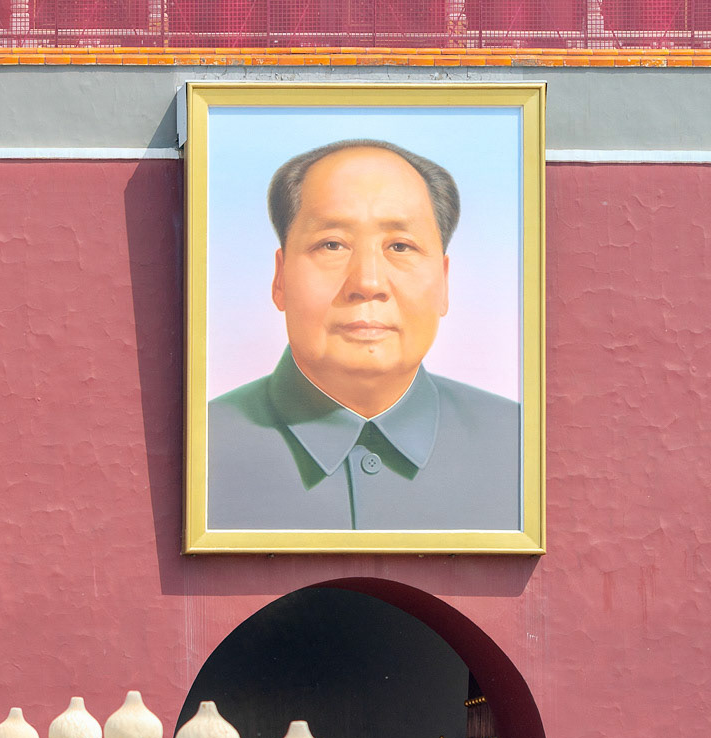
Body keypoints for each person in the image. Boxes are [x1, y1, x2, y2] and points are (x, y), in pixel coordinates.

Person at [206, 139, 520, 532]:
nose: (367, 282)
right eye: (332, 244)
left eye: (400, 246)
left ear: (443, 282)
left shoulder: (524, 449)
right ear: (279, 278)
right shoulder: (199, 447)